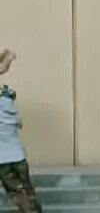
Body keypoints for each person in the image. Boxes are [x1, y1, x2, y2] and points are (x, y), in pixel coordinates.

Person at [0, 50, 41, 213]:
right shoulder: (12, 116)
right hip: (19, 159)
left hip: (3, 161)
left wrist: (6, 58)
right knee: (28, 193)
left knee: (19, 195)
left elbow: (1, 68)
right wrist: (7, 57)